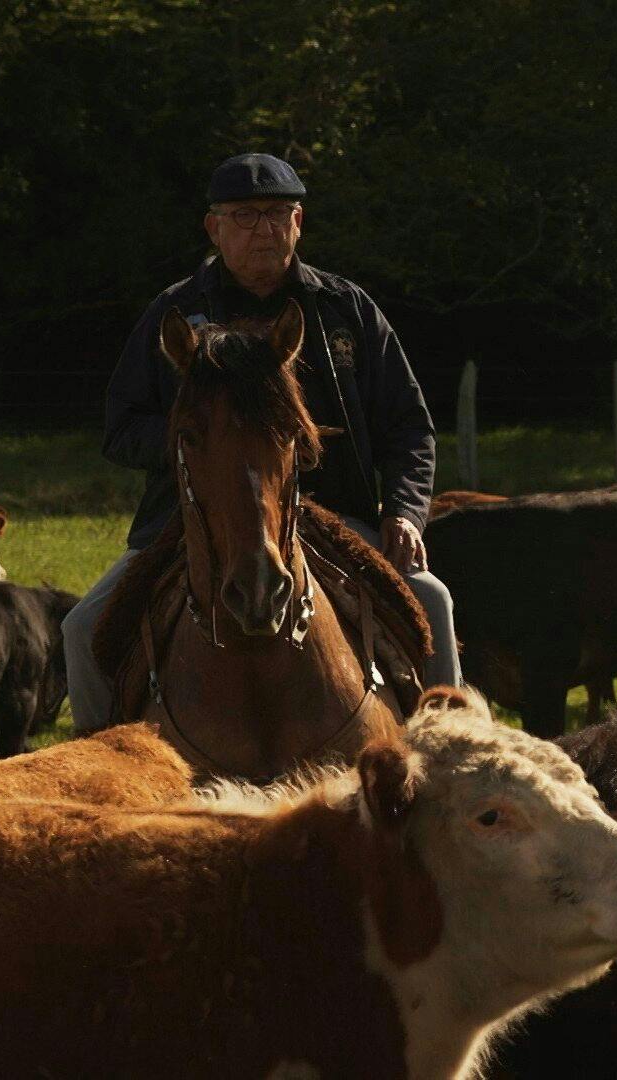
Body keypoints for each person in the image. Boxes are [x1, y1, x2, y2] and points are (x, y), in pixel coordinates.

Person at [63, 153, 461, 733]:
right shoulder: (173, 313)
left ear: (298, 223)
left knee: (433, 601)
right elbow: (121, 430)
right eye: (245, 216)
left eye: (278, 213)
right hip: (192, 518)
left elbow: (409, 425)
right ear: (213, 227)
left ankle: (457, 762)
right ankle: (99, 786)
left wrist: (404, 511)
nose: (264, 229)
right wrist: (206, 444)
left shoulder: (346, 309)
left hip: (335, 515)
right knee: (81, 629)